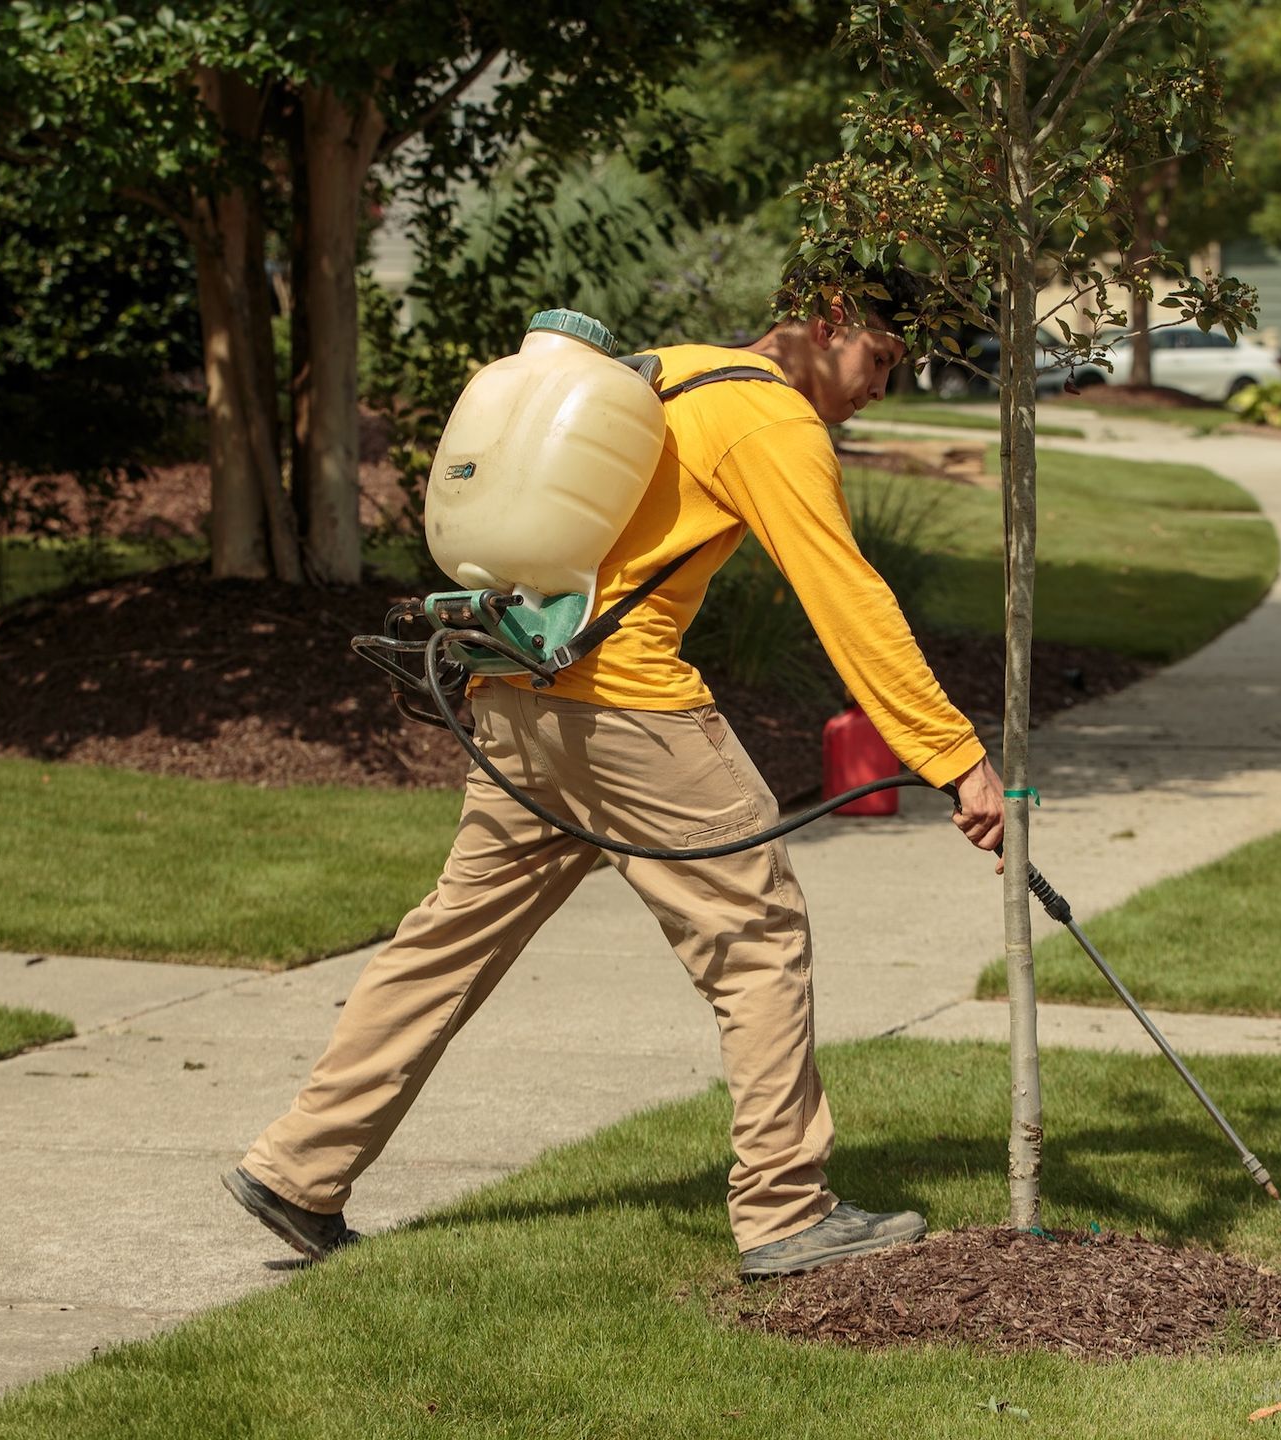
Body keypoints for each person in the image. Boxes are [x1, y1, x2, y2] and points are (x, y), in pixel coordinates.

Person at [223, 287, 1006, 1279]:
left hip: (521, 690)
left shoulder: (663, 369)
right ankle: (784, 1208)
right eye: (881, 361)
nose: (880, 389)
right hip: (632, 708)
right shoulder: (769, 416)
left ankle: (299, 1169)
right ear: (826, 321)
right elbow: (846, 596)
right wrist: (954, 758)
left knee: (450, 935)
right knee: (758, 937)